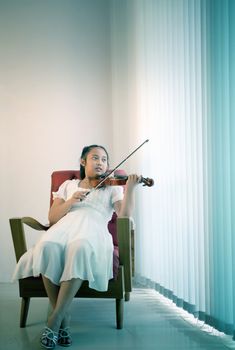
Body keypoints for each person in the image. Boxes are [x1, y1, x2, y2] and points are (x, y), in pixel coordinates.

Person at [12, 144, 140, 349]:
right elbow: (53, 218)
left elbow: (124, 217)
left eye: (104, 159)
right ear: (83, 161)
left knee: (80, 248)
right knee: (46, 245)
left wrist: (130, 189)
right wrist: (71, 201)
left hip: (93, 229)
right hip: (64, 227)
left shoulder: (111, 187)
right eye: (95, 158)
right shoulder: (68, 185)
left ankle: (54, 320)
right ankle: (63, 318)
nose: (100, 163)